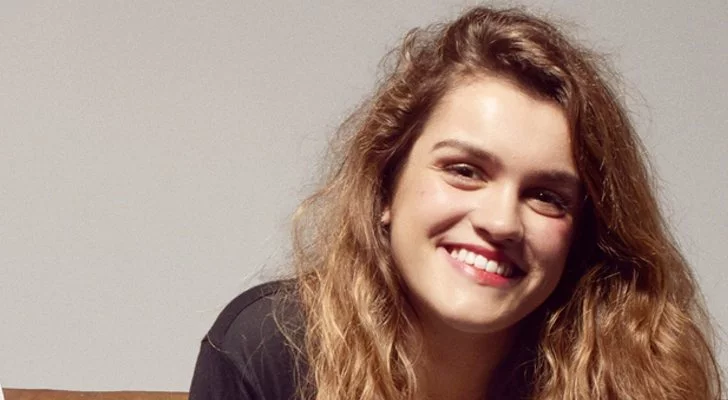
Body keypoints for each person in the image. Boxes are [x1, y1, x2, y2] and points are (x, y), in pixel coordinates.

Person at [189, 5, 723, 400]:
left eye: (545, 196)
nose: (500, 221)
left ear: (582, 235)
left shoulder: (638, 377)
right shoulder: (269, 348)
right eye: (464, 171)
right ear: (385, 186)